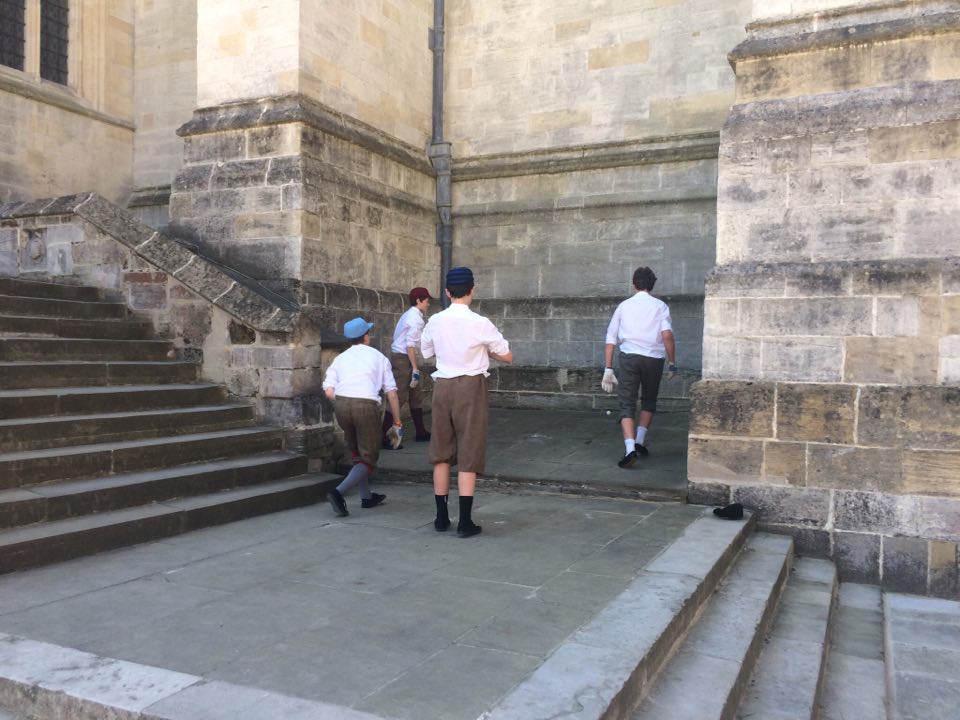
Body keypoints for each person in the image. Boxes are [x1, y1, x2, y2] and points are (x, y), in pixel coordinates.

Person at [420, 266, 512, 538]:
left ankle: (440, 517)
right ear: (472, 290)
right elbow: (507, 355)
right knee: (469, 450)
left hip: (443, 385)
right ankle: (465, 521)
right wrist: (485, 352)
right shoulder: (480, 322)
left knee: (441, 451)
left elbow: (427, 351)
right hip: (471, 386)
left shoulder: (435, 321)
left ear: (447, 292)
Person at [322, 317, 403, 517]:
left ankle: (366, 497)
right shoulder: (378, 357)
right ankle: (338, 492)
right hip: (365, 406)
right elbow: (391, 392)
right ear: (366, 337)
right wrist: (397, 422)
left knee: (357, 452)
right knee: (368, 459)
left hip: (341, 403)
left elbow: (328, 390)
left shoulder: (340, 359)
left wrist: (342, 402)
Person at [601, 266, 677, 468]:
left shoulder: (624, 306)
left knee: (627, 403)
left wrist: (608, 368)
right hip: (654, 359)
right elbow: (667, 336)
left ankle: (629, 449)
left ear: (634, 285)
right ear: (652, 285)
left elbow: (611, 338)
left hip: (630, 357)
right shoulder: (660, 306)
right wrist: (672, 363)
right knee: (649, 399)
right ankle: (640, 440)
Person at [381, 286, 434, 448]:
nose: (428, 304)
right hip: (402, 359)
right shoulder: (415, 318)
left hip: (405, 358)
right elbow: (410, 346)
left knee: (416, 393)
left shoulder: (411, 315)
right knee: (399, 396)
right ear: (418, 301)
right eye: (426, 301)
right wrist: (415, 368)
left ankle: (420, 432)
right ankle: (383, 437)